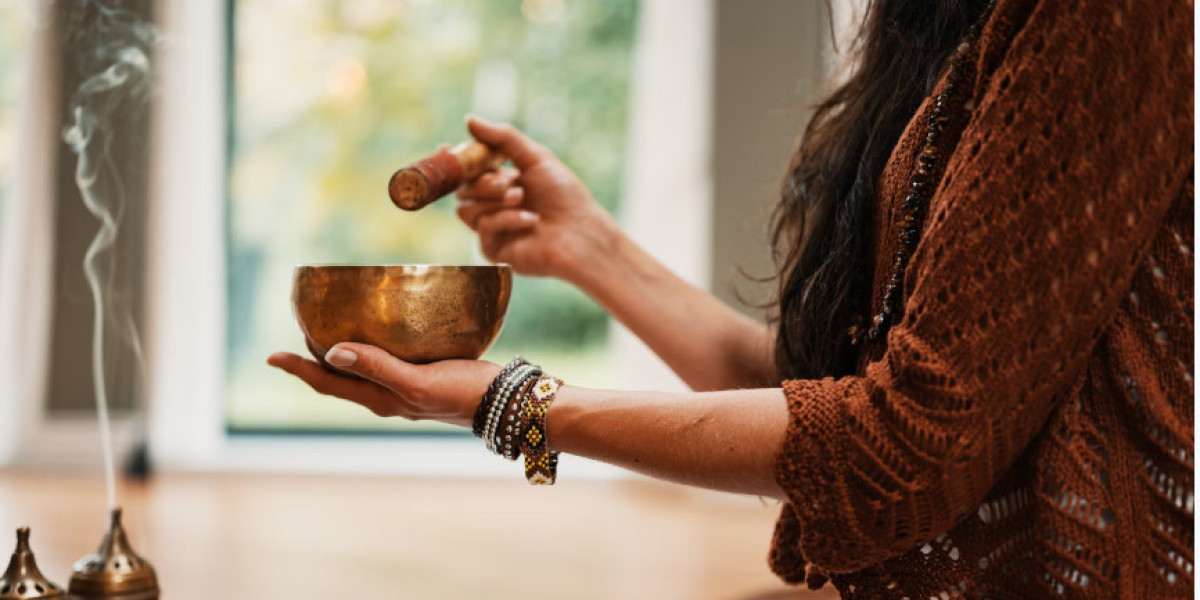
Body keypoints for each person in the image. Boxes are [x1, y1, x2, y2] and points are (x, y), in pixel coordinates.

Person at [268, 0, 1193, 597]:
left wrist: (511, 403)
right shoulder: (933, 28)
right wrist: (592, 250)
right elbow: (820, 390)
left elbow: (906, 444)